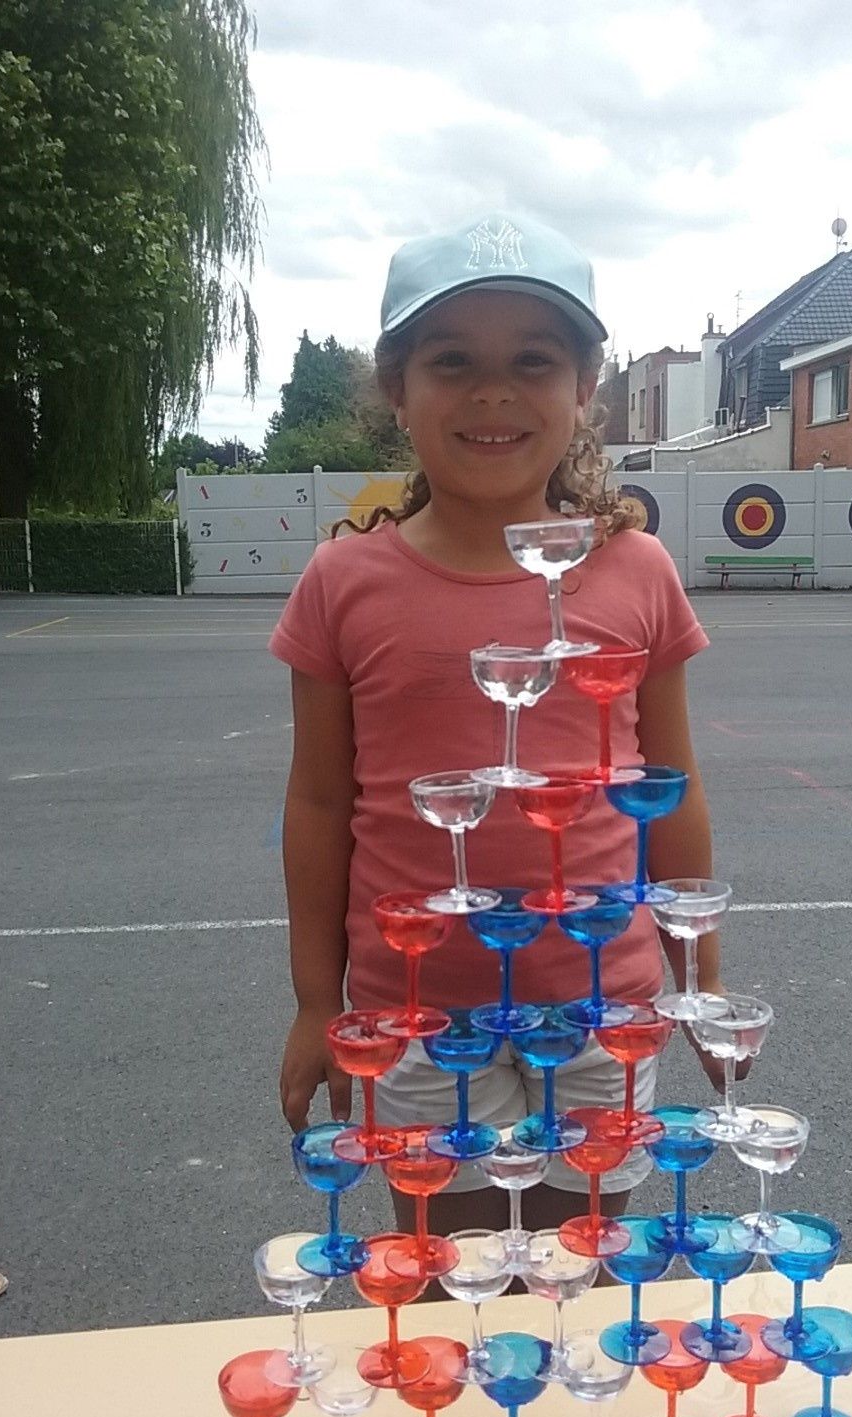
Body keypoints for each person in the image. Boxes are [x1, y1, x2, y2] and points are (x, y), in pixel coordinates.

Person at [268, 212, 722, 1243]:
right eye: (452, 361)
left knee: (582, 1275)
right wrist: (315, 1001)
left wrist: (702, 979)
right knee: (451, 1281)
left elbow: (673, 787)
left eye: (533, 361)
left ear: (585, 385)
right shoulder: (344, 581)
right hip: (417, 1009)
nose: (492, 393)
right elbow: (321, 803)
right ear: (396, 388)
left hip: (603, 1001)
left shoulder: (635, 570)